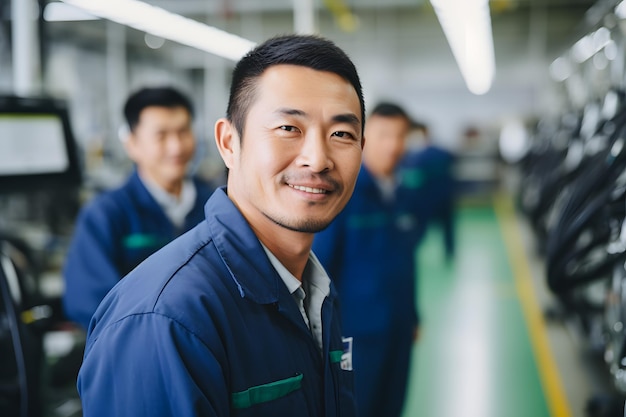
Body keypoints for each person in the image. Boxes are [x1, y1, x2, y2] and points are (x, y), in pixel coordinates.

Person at [77, 34, 365, 417]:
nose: (318, 159)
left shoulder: (313, 291)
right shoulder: (163, 323)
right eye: (288, 128)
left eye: (341, 134)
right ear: (229, 143)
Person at [62, 86, 215, 330]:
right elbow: (89, 302)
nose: (176, 147)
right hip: (137, 347)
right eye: (161, 135)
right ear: (133, 144)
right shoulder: (105, 214)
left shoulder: (216, 206)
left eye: (183, 131)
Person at [313, 102, 425, 417]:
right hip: (356, 335)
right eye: (385, 135)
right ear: (365, 139)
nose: (394, 145)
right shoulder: (343, 195)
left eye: (401, 135)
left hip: (399, 327)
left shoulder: (404, 194)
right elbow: (320, 269)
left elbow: (407, 262)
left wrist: (413, 315)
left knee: (393, 404)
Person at [403, 121, 456, 261]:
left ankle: (412, 252)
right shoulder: (442, 152)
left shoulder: (413, 157)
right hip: (440, 198)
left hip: (427, 200)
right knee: (445, 229)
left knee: (421, 229)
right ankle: (449, 253)